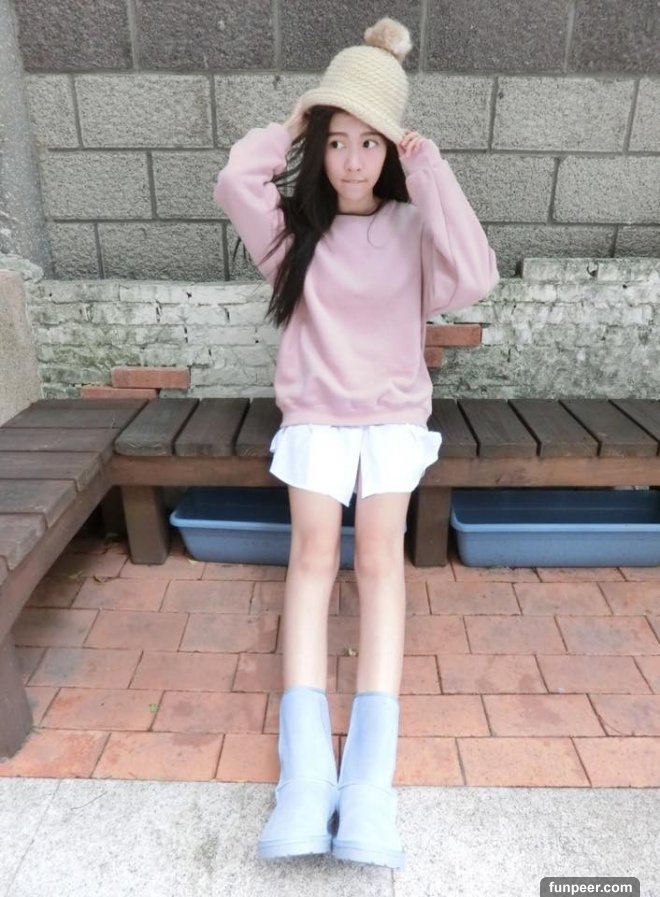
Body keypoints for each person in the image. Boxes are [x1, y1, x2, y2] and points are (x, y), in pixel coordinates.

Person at [213, 16, 499, 870]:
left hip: (392, 420)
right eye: (336, 141)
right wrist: (293, 120)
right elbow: (235, 179)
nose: (349, 160)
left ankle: (368, 780)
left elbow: (476, 273)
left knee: (378, 564)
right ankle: (305, 776)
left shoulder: (413, 229)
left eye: (368, 142)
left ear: (391, 150)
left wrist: (429, 166)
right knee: (310, 559)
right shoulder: (293, 235)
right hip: (317, 418)